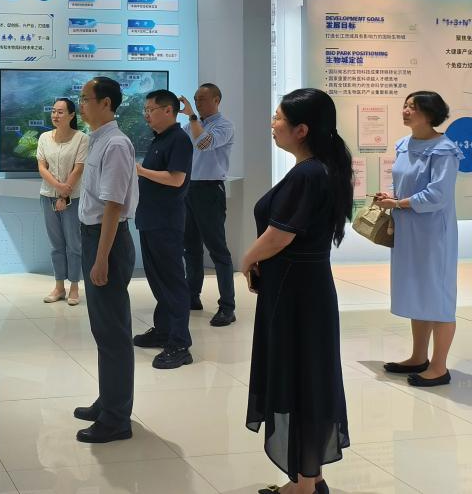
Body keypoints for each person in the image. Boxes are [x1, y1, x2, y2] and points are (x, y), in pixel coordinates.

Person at [241, 88, 351, 494]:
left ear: (301, 130)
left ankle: (305, 485)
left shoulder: (308, 174)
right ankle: (309, 478)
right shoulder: (321, 168)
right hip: (305, 287)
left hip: (296, 292)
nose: (272, 125)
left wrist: (247, 259)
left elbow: (279, 235)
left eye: (278, 118)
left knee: (301, 378)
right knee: (308, 376)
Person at [374, 91, 462, 388]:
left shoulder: (444, 150)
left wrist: (398, 204)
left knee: (438, 295)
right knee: (417, 291)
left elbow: (437, 196)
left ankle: (439, 367)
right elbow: (403, 182)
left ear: (430, 114)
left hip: (433, 233)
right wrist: (391, 195)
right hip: (408, 229)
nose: (406, 110)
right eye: (406, 105)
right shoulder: (404, 145)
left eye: (413, 107)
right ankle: (418, 357)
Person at [73, 76, 137, 443]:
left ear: (106, 103)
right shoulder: (96, 139)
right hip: (95, 237)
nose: (81, 105)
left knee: (113, 333)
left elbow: (113, 205)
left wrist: (101, 259)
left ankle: (116, 418)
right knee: (103, 329)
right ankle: (108, 400)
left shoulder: (116, 144)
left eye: (86, 98)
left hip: (106, 241)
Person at [133, 89, 195, 369]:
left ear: (169, 110)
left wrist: (140, 171)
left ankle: (180, 344)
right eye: (145, 110)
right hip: (150, 219)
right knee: (158, 281)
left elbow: (176, 179)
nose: (146, 115)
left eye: (151, 110)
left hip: (166, 222)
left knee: (172, 283)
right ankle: (163, 331)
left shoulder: (179, 139)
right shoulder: (160, 138)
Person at [179, 83, 236, 327]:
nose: (197, 103)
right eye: (195, 99)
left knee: (218, 250)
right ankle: (192, 296)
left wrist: (192, 117)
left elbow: (204, 143)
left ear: (216, 99)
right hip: (188, 189)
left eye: (202, 99)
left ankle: (227, 307)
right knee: (190, 248)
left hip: (210, 190)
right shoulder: (189, 126)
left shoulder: (224, 125)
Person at [37, 98, 89, 305]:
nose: (55, 115)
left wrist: (64, 194)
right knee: (56, 244)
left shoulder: (82, 138)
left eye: (60, 112)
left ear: (71, 115)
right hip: (47, 195)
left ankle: (74, 287)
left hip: (72, 198)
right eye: (53, 111)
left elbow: (79, 168)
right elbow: (42, 167)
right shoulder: (44, 137)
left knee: (74, 244)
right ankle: (59, 287)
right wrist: (58, 187)